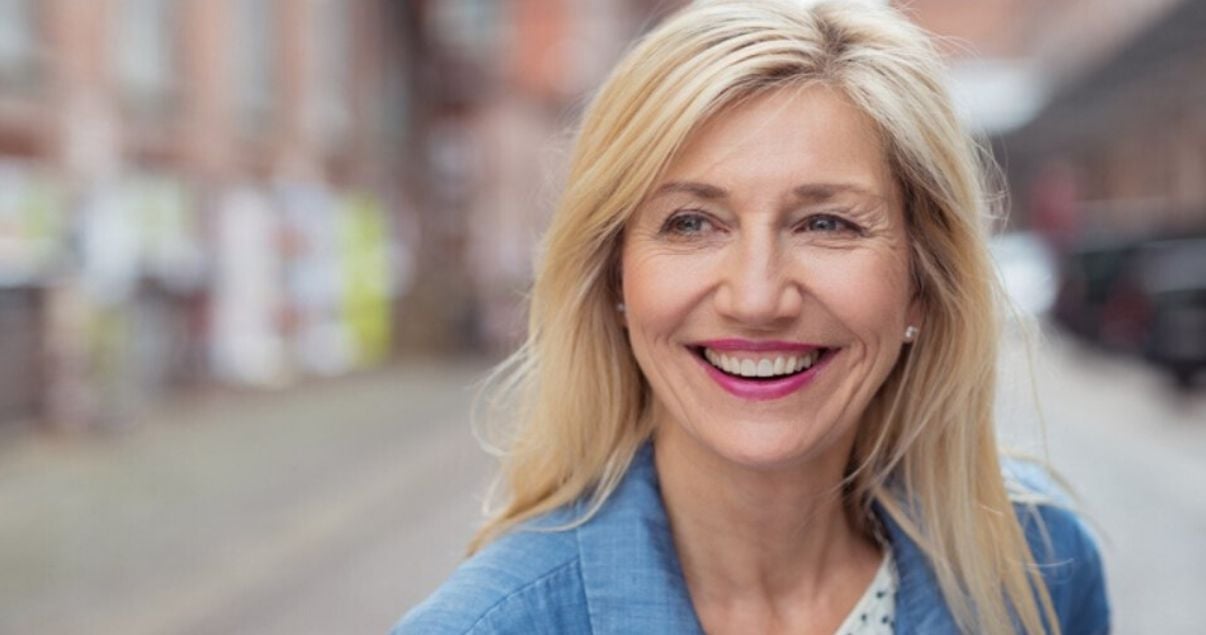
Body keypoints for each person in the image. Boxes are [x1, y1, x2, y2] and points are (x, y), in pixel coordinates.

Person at [394, 1, 1110, 633]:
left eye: (826, 222)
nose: (758, 296)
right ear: (615, 277)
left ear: (921, 282)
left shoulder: (1042, 572)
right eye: (693, 223)